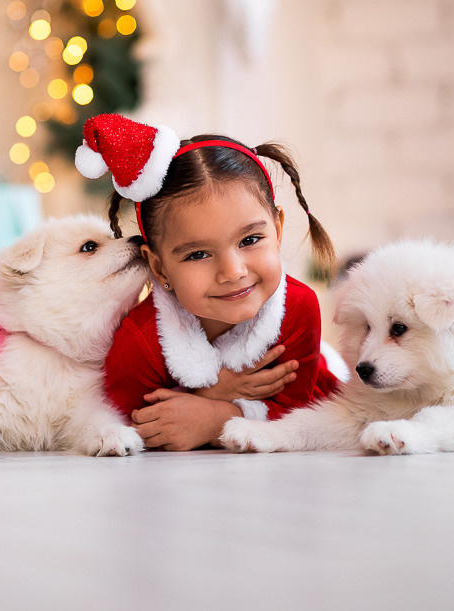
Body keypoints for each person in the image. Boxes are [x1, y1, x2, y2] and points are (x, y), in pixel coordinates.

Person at [75, 113, 343, 451]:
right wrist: (214, 393)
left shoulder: (299, 307)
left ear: (277, 229)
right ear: (159, 269)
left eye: (250, 240)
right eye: (198, 255)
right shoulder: (141, 342)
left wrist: (216, 419)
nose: (232, 272)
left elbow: (298, 415)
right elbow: (127, 424)